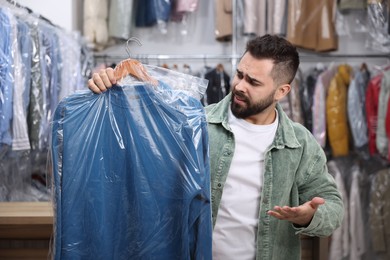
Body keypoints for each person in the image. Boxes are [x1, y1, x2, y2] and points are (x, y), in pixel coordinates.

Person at [87, 34, 343, 260]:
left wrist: (308, 216)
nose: (239, 86)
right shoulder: (194, 124)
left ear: (281, 91)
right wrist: (109, 84)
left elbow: (333, 207)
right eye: (239, 74)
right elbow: (137, 151)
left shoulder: (299, 143)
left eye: (253, 82)